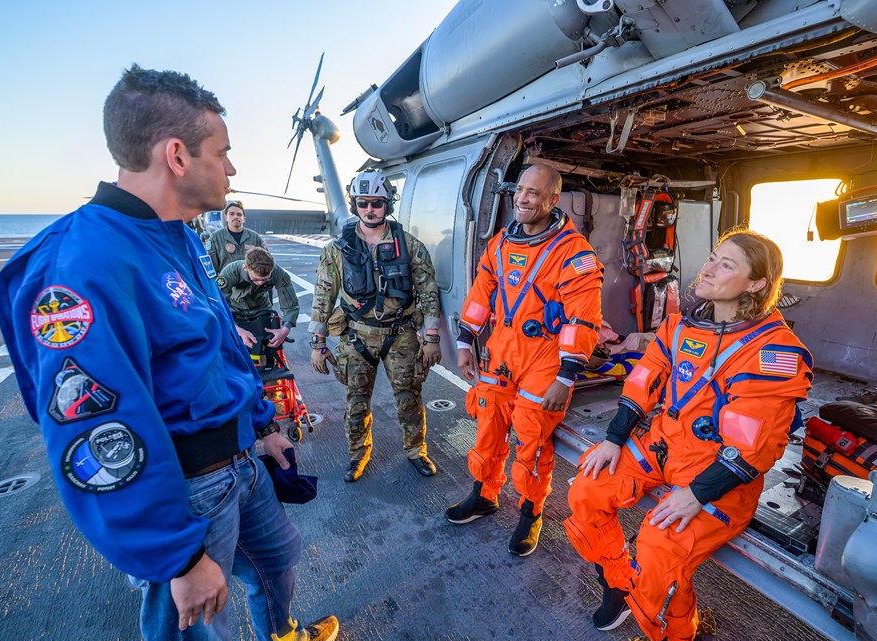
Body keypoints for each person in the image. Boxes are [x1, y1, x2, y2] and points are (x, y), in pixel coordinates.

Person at [0, 65, 337, 641]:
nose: (232, 169)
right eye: (222, 153)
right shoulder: (83, 264)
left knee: (278, 558)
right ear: (177, 156)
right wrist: (177, 559)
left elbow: (217, 347)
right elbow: (96, 433)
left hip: (241, 461)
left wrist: (262, 426)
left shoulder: (175, 238)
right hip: (190, 492)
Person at [564, 231, 813, 641]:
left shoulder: (774, 352)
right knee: (587, 490)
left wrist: (696, 494)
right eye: (712, 257)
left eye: (726, 265)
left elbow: (754, 447)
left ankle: (675, 639)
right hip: (663, 445)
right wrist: (614, 438)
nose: (709, 268)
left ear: (757, 283)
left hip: (720, 473)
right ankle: (619, 584)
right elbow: (643, 382)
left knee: (658, 547)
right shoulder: (679, 326)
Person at [446, 164, 604, 557]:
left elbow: (582, 318)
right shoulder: (500, 243)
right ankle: (484, 494)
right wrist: (465, 340)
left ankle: (531, 511)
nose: (523, 198)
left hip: (543, 359)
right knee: (488, 426)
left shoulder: (574, 252)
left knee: (531, 439)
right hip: (502, 351)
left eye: (534, 193)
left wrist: (566, 377)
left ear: (553, 200)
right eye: (520, 190)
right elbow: (481, 293)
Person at [309, 169, 442, 482]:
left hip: (401, 334)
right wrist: (318, 343)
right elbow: (323, 295)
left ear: (388, 204)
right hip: (357, 336)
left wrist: (431, 338)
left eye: (377, 203)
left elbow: (428, 291)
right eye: (363, 203)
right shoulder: (337, 249)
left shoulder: (409, 246)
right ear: (354, 204)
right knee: (356, 401)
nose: (370, 209)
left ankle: (416, 450)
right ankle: (358, 454)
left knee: (409, 398)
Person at [217, 247, 300, 350]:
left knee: (266, 348)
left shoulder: (278, 273)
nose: (260, 283)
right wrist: (236, 329)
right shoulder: (230, 272)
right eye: (256, 279)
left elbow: (291, 305)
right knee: (232, 348)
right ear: (245, 267)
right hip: (235, 311)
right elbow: (218, 305)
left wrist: (285, 329)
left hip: (261, 309)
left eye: (265, 279)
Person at [208, 199, 266, 274]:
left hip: (250, 280)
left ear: (244, 219)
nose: (235, 217)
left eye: (239, 214)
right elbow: (211, 266)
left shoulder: (255, 238)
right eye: (231, 214)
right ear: (226, 217)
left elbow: (265, 261)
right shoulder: (215, 238)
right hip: (226, 280)